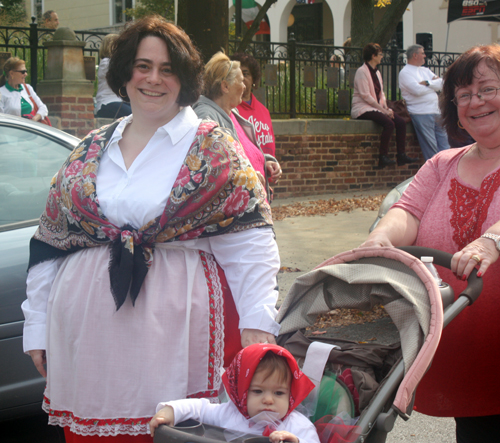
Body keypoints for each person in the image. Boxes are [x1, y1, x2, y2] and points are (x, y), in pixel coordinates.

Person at [22, 16, 281, 441]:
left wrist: (258, 326)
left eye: (167, 69)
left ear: (185, 78)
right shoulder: (90, 147)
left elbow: (250, 243)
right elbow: (52, 242)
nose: (153, 79)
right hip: (87, 343)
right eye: (143, 66)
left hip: (175, 338)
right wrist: (36, 326)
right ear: (125, 73)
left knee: (169, 432)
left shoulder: (213, 148)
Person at [361, 44, 500, 442]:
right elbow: (407, 212)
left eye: (488, 89)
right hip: (460, 352)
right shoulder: (441, 164)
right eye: (464, 94)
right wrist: (380, 239)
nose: (476, 102)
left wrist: (491, 240)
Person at [150, 344, 320, 443]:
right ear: (240, 392)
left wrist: (295, 441)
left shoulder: (298, 426)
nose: (268, 400)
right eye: (258, 391)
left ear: (291, 395)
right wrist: (170, 411)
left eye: (279, 393)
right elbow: (200, 408)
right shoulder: (229, 413)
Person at [192, 52, 281, 199]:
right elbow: (209, 167)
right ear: (225, 86)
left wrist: (266, 161)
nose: (244, 86)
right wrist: (246, 177)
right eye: (240, 81)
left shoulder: (230, 112)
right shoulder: (206, 117)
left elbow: (243, 151)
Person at [351, 43, 418, 169]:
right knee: (389, 124)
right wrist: (383, 110)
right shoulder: (361, 72)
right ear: (373, 55)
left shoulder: (377, 72)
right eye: (380, 54)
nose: (382, 57)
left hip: (376, 107)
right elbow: (366, 96)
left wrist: (387, 108)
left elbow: (381, 93)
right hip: (362, 108)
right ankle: (383, 157)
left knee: (400, 122)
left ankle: (401, 155)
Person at [399, 44, 450, 161]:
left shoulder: (425, 70)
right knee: (431, 148)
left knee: (445, 147)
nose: (425, 55)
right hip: (421, 113)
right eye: (422, 53)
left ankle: (446, 170)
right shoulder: (405, 72)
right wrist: (433, 86)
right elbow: (416, 91)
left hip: (436, 111)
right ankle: (435, 174)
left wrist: (428, 83)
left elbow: (442, 84)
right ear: (415, 55)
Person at [230, 53, 276, 157]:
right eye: (237, 74)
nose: (241, 78)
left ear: (253, 79)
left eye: (245, 74)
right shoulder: (229, 109)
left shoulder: (264, 111)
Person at [0, 57, 49, 123]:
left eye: (26, 71)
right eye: (22, 72)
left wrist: (34, 119)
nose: (26, 74)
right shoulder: (2, 93)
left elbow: (43, 108)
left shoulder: (27, 88)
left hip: (29, 130)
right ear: (12, 73)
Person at [95, 33, 132, 119]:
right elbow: (123, 75)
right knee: (132, 116)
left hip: (120, 102)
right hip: (107, 103)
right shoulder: (106, 62)